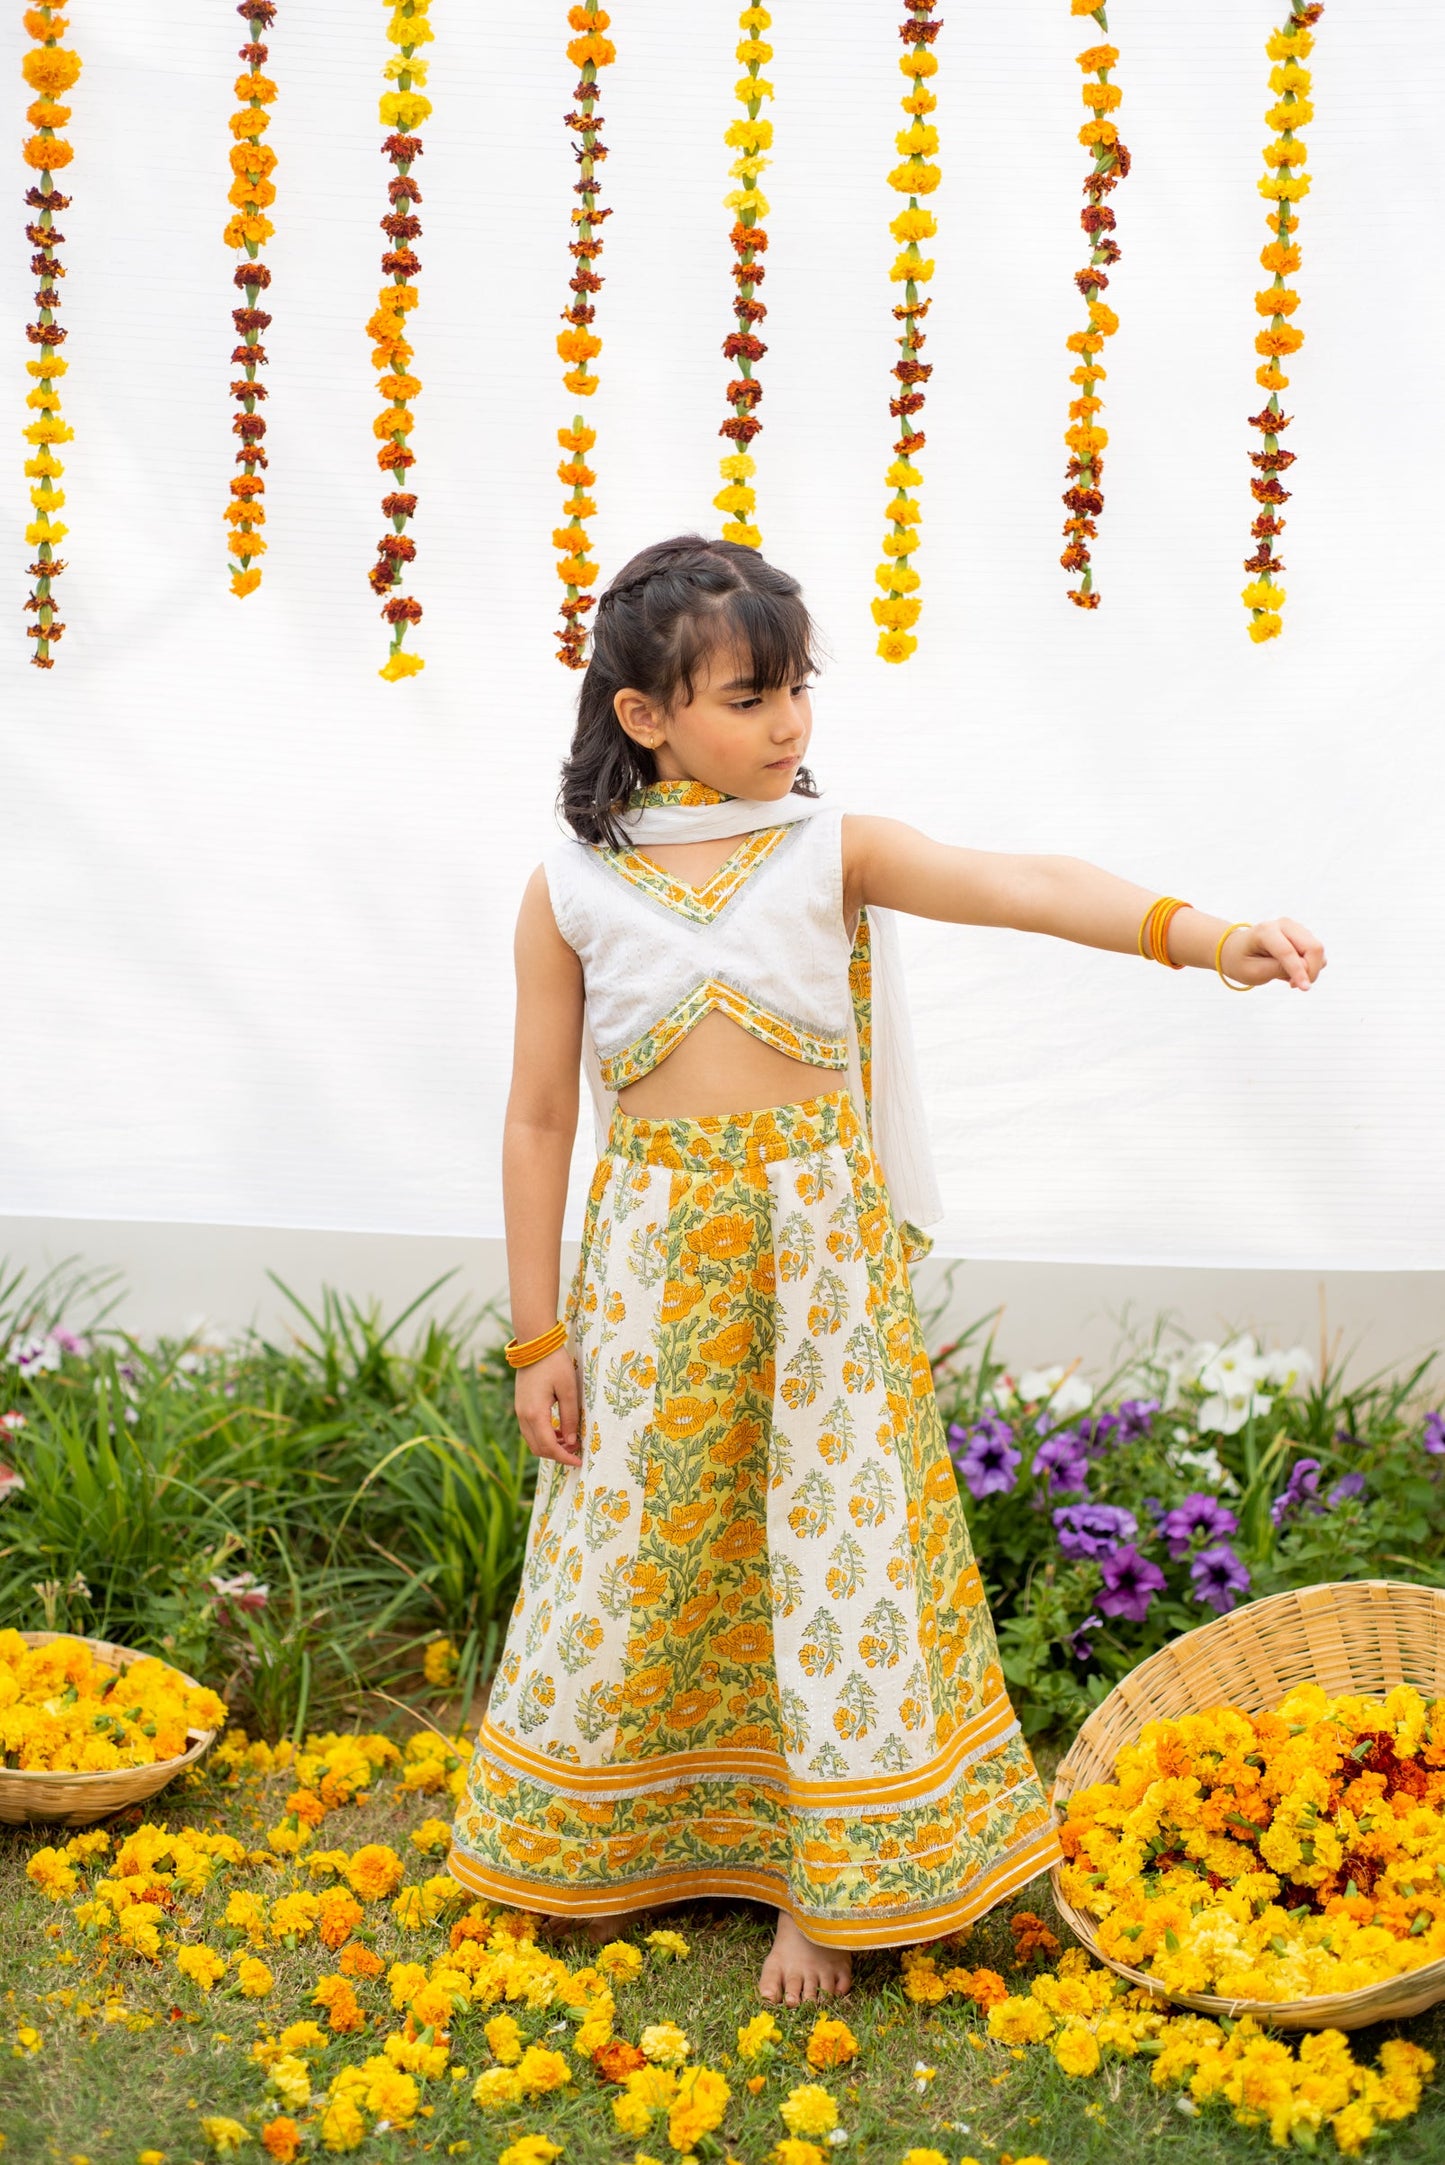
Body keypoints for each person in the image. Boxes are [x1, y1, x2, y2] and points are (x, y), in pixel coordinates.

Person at [447, 533, 1327, 2005]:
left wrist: (1206, 935)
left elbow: (1017, 883)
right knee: (627, 1548)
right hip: (652, 1273)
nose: (789, 723)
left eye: (797, 689)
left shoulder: (825, 844)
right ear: (644, 715)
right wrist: (540, 1333)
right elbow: (539, 1114)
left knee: (830, 1555)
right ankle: (611, 1844)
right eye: (747, 697)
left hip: (818, 1276)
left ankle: (836, 1888)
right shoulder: (571, 887)